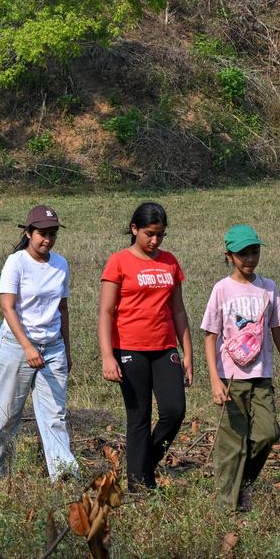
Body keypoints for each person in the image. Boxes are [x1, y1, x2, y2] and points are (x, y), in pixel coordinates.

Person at [202, 224, 280, 512]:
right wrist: (214, 379)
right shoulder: (222, 289)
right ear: (229, 256)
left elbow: (279, 333)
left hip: (261, 377)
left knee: (268, 433)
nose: (249, 259)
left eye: (254, 252)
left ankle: (243, 483)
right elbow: (210, 336)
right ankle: (227, 507)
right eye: (242, 254)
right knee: (232, 443)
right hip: (230, 378)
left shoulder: (268, 288)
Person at [98, 202, 193, 492]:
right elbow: (106, 312)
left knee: (175, 411)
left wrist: (188, 353)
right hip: (129, 348)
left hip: (165, 348)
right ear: (134, 228)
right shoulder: (119, 261)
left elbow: (178, 310)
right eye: (150, 234)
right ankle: (139, 484)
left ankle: (142, 466)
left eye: (161, 235)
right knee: (139, 417)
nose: (155, 241)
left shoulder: (169, 262)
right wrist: (106, 356)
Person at [0, 206, 77, 482]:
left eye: (53, 234)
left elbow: (63, 309)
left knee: (55, 415)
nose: (47, 239)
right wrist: (27, 347)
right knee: (6, 412)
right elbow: (8, 308)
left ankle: (64, 473)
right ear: (28, 232)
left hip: (52, 345)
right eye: (42, 234)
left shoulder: (61, 264)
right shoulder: (17, 262)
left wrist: (66, 351)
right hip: (18, 346)